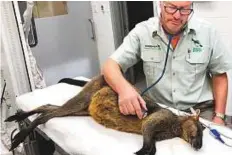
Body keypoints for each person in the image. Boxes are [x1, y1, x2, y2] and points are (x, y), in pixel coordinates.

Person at [102, 1, 232, 126]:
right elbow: (110, 66)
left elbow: (219, 74)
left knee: (207, 145)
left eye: (184, 9)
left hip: (200, 109)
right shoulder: (143, 32)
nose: (177, 15)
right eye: (171, 7)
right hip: (160, 109)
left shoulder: (207, 32)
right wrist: (125, 90)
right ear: (160, 4)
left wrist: (219, 117)